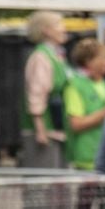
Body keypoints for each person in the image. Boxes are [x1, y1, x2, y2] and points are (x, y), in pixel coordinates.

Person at [18, 9, 70, 169]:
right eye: (58, 25)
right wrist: (40, 129)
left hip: (56, 130)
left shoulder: (55, 55)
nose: (63, 28)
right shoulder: (41, 57)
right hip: (45, 132)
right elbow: (36, 93)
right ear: (46, 30)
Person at [59, 38, 105, 172]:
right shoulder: (74, 86)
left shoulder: (103, 83)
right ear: (89, 61)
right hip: (86, 161)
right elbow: (76, 124)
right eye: (103, 58)